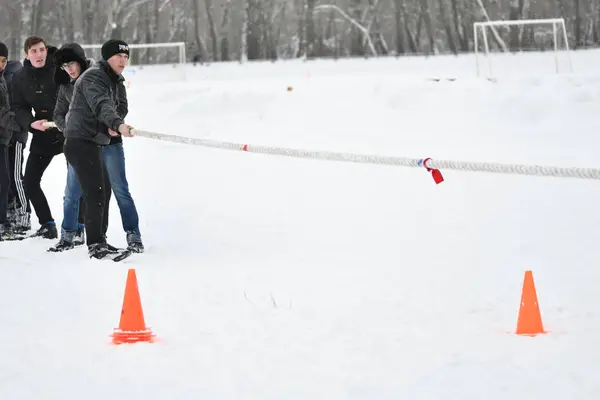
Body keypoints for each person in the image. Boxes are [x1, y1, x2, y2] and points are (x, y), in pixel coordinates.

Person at [63, 39, 135, 260]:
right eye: (118, 57)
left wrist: (112, 125)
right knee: (96, 192)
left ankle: (99, 240)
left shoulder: (114, 79)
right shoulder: (94, 76)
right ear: (107, 58)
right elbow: (101, 105)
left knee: (104, 190)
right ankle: (95, 245)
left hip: (92, 141)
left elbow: (117, 107)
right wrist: (116, 124)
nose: (123, 61)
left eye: (125, 57)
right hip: (79, 142)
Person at [10, 36, 61, 239]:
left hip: (68, 130)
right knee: (29, 181)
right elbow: (18, 107)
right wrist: (31, 123)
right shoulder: (20, 78)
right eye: (34, 51)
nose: (39, 55)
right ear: (26, 54)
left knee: (79, 182)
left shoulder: (60, 68)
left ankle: (78, 227)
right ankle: (47, 224)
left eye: (41, 50)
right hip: (43, 130)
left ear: (46, 50)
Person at [47, 43, 91, 252]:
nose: (69, 69)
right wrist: (70, 130)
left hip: (98, 144)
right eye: (64, 66)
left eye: (72, 64)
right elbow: (57, 114)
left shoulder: (96, 80)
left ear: (80, 61)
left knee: (98, 193)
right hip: (75, 144)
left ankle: (94, 235)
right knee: (72, 192)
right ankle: (68, 235)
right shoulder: (65, 86)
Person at [0, 42, 22, 239]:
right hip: (3, 136)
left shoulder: (4, 78)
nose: (1, 64)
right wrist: (21, 124)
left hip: (4, 138)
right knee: (5, 181)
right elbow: (2, 113)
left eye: (3, 61)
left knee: (5, 181)